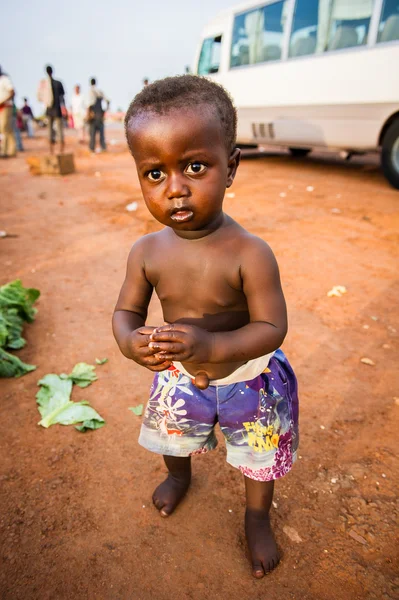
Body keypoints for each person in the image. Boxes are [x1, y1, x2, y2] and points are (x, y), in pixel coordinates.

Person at [112, 75, 299, 579]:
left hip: (249, 380)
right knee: (175, 439)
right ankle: (179, 477)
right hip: (179, 377)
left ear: (231, 166)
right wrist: (131, 342)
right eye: (154, 173)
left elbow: (271, 326)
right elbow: (124, 313)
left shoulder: (250, 253)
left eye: (195, 166)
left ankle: (257, 517)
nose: (175, 188)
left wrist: (214, 343)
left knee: (258, 459)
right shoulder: (146, 252)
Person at [38, 65, 66, 154]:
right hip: (56, 110)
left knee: (51, 130)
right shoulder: (56, 83)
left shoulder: (45, 84)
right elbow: (62, 98)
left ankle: (53, 151)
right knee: (58, 130)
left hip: (51, 110)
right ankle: (58, 151)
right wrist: (64, 108)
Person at [87, 77, 109, 153]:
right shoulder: (100, 91)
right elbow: (108, 101)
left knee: (92, 133)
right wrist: (105, 111)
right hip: (100, 114)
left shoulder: (91, 91)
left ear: (90, 83)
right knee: (101, 133)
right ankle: (103, 147)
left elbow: (90, 104)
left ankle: (92, 148)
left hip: (94, 115)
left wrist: (89, 114)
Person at [0, 66, 16, 158]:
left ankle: (5, 151)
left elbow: (12, 92)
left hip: (6, 107)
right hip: (1, 108)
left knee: (4, 128)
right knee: (7, 129)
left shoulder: (4, 79)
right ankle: (11, 150)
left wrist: (3, 101)